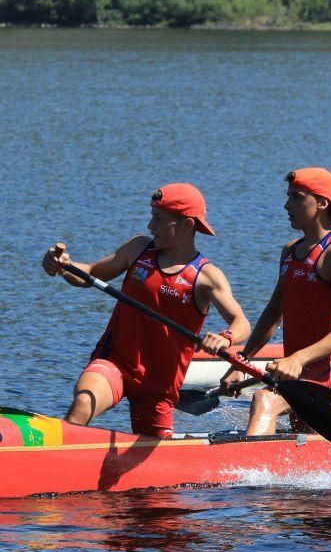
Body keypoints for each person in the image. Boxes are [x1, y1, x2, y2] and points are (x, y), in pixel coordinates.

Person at [42, 183, 250, 437]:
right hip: (116, 362)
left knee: (159, 466)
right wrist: (65, 266)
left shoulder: (206, 277)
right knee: (84, 401)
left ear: (187, 225)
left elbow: (242, 323)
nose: (151, 226)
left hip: (158, 386)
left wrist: (224, 338)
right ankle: (58, 461)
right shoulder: (138, 249)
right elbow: (91, 274)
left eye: (159, 220)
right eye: (152, 217)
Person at [219, 167, 331, 435]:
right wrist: (241, 363)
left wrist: (298, 359)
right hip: (293, 370)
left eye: (297, 197)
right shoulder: (289, 252)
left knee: (264, 400)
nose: (287, 205)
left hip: (329, 368)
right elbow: (273, 315)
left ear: (322, 203)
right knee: (306, 436)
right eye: (288, 197)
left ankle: (250, 475)